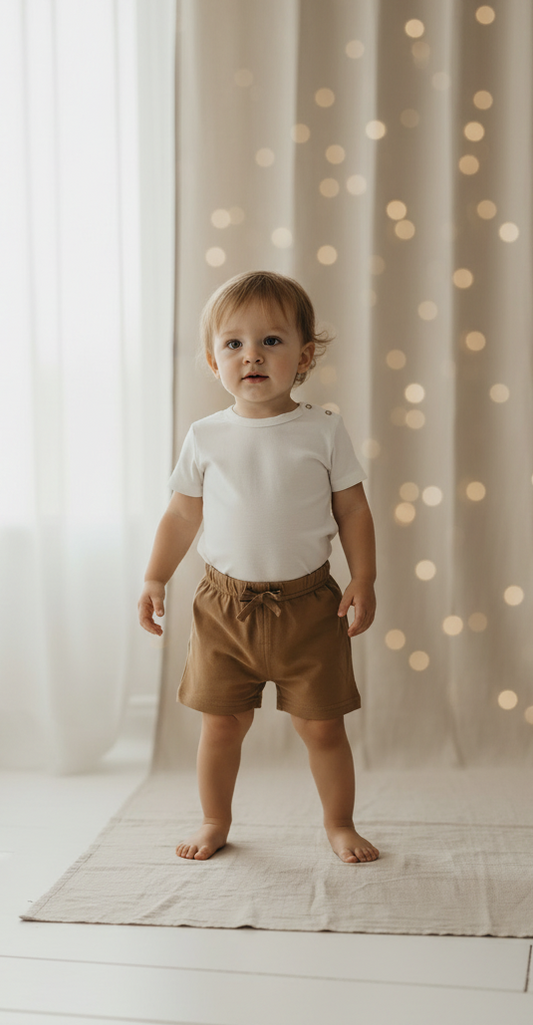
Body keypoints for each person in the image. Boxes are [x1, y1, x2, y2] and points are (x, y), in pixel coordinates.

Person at [138, 270, 379, 865]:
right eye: (234, 343)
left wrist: (364, 578)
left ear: (305, 355)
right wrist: (154, 577)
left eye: (271, 341)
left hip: (309, 608)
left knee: (322, 728)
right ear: (213, 358)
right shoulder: (206, 436)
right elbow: (180, 518)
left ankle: (339, 823)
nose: (252, 355)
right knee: (221, 727)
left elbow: (353, 510)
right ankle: (215, 818)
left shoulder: (322, 431)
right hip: (224, 610)